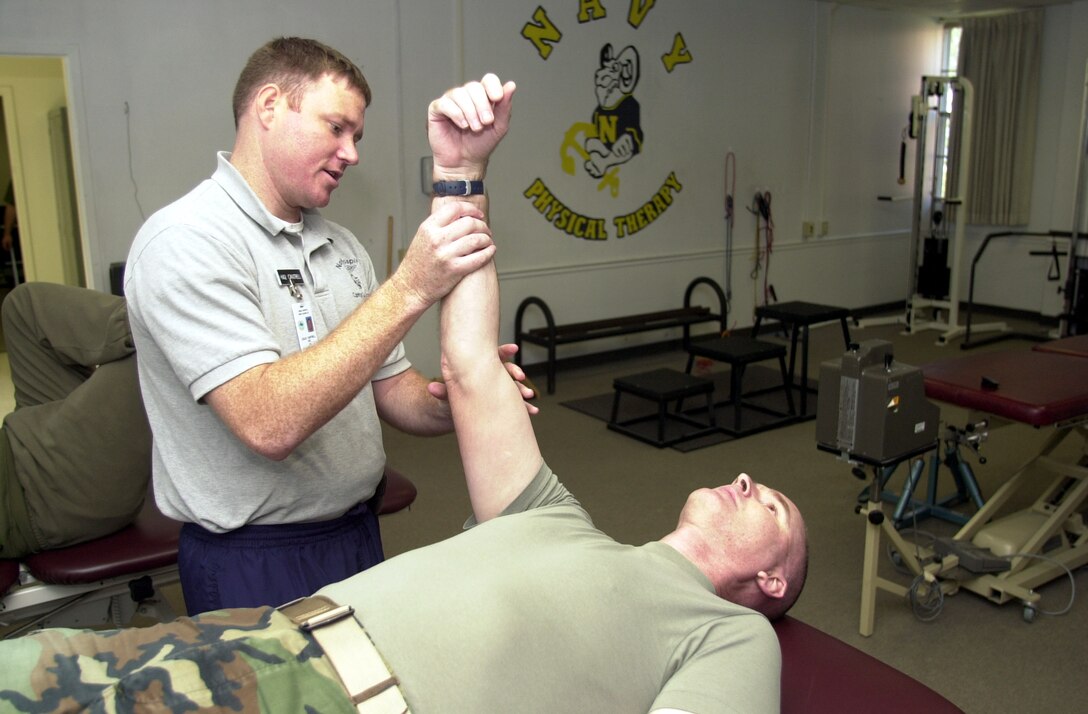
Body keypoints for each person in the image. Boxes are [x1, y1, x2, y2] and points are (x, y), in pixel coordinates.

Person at [0, 72, 807, 713]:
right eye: (337, 127)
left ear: (771, 584)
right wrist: (462, 171)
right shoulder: (552, 516)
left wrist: (454, 374)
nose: (746, 479)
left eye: (772, 505)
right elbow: (465, 367)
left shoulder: (730, 635)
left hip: (331, 687)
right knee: (30, 666)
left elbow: (429, 388)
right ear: (269, 107)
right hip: (272, 624)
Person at [123, 37, 530, 613]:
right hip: (252, 557)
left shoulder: (339, 246)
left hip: (355, 532)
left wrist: (452, 401)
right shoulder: (185, 242)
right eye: (337, 128)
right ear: (269, 107)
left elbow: (390, 390)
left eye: (357, 136)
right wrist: (411, 286)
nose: (352, 153)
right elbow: (268, 423)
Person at [0, 282, 151, 558]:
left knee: (22, 307)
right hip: (39, 490)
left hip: (19, 438)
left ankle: (152, 318)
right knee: (161, 339)